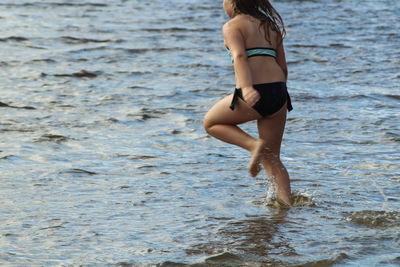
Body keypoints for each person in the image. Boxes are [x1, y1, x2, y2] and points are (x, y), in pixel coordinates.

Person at [203, 0, 293, 206]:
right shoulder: (270, 26)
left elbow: (240, 55)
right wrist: (279, 95)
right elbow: (283, 67)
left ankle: (253, 145)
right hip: (279, 93)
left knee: (211, 123)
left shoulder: (232, 26)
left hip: (254, 90)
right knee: (272, 158)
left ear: (234, 2)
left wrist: (246, 88)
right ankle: (285, 206)